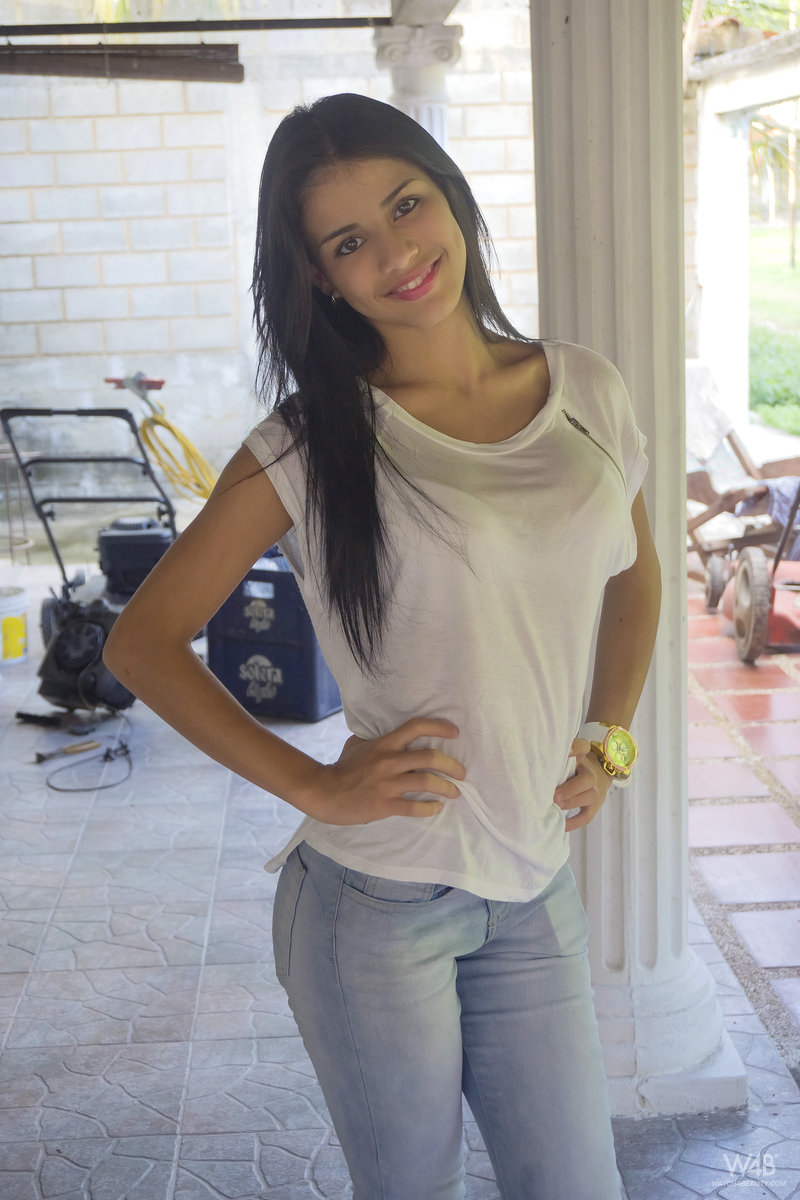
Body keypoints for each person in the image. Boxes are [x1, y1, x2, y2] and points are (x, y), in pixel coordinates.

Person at [104, 93, 661, 1200]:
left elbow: (634, 572)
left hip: (532, 883)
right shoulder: (312, 441)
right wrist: (316, 783)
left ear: (450, 196)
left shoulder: (584, 388)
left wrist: (609, 740)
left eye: (407, 206)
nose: (397, 254)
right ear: (319, 277)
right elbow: (143, 642)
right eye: (348, 240)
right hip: (377, 906)